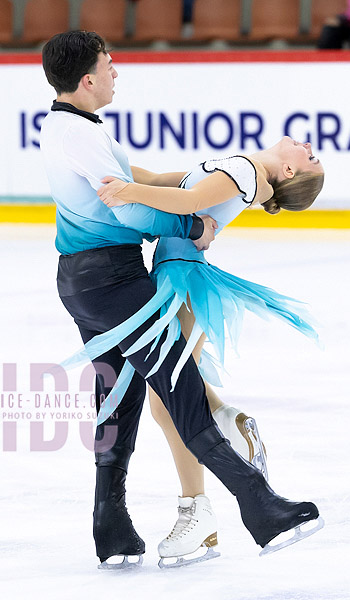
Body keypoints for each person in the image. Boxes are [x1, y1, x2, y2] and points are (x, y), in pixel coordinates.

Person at [41, 29, 323, 570]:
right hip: (113, 281)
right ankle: (259, 506)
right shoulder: (84, 136)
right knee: (180, 394)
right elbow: (134, 205)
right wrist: (191, 222)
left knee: (122, 398)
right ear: (87, 80)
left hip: (90, 280)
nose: (117, 72)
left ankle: (113, 528)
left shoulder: (71, 129)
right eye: (110, 64)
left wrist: (183, 198)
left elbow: (149, 186)